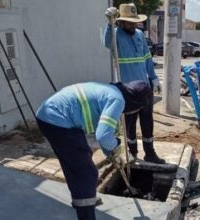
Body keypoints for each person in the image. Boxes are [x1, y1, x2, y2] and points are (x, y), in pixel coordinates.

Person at [36, 80, 151, 220]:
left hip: (50, 116)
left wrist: (112, 154)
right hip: (57, 120)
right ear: (134, 103)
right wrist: (115, 148)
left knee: (78, 163)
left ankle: (83, 198)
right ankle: (86, 212)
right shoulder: (117, 100)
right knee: (86, 173)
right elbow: (103, 136)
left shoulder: (112, 92)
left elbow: (104, 131)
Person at [103, 3, 165, 164]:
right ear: (121, 22)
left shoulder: (139, 35)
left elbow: (147, 58)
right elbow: (107, 43)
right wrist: (109, 24)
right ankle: (132, 152)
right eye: (129, 22)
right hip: (128, 89)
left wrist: (154, 78)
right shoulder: (115, 34)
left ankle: (150, 152)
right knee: (130, 123)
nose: (132, 24)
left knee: (147, 121)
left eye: (134, 21)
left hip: (144, 88)